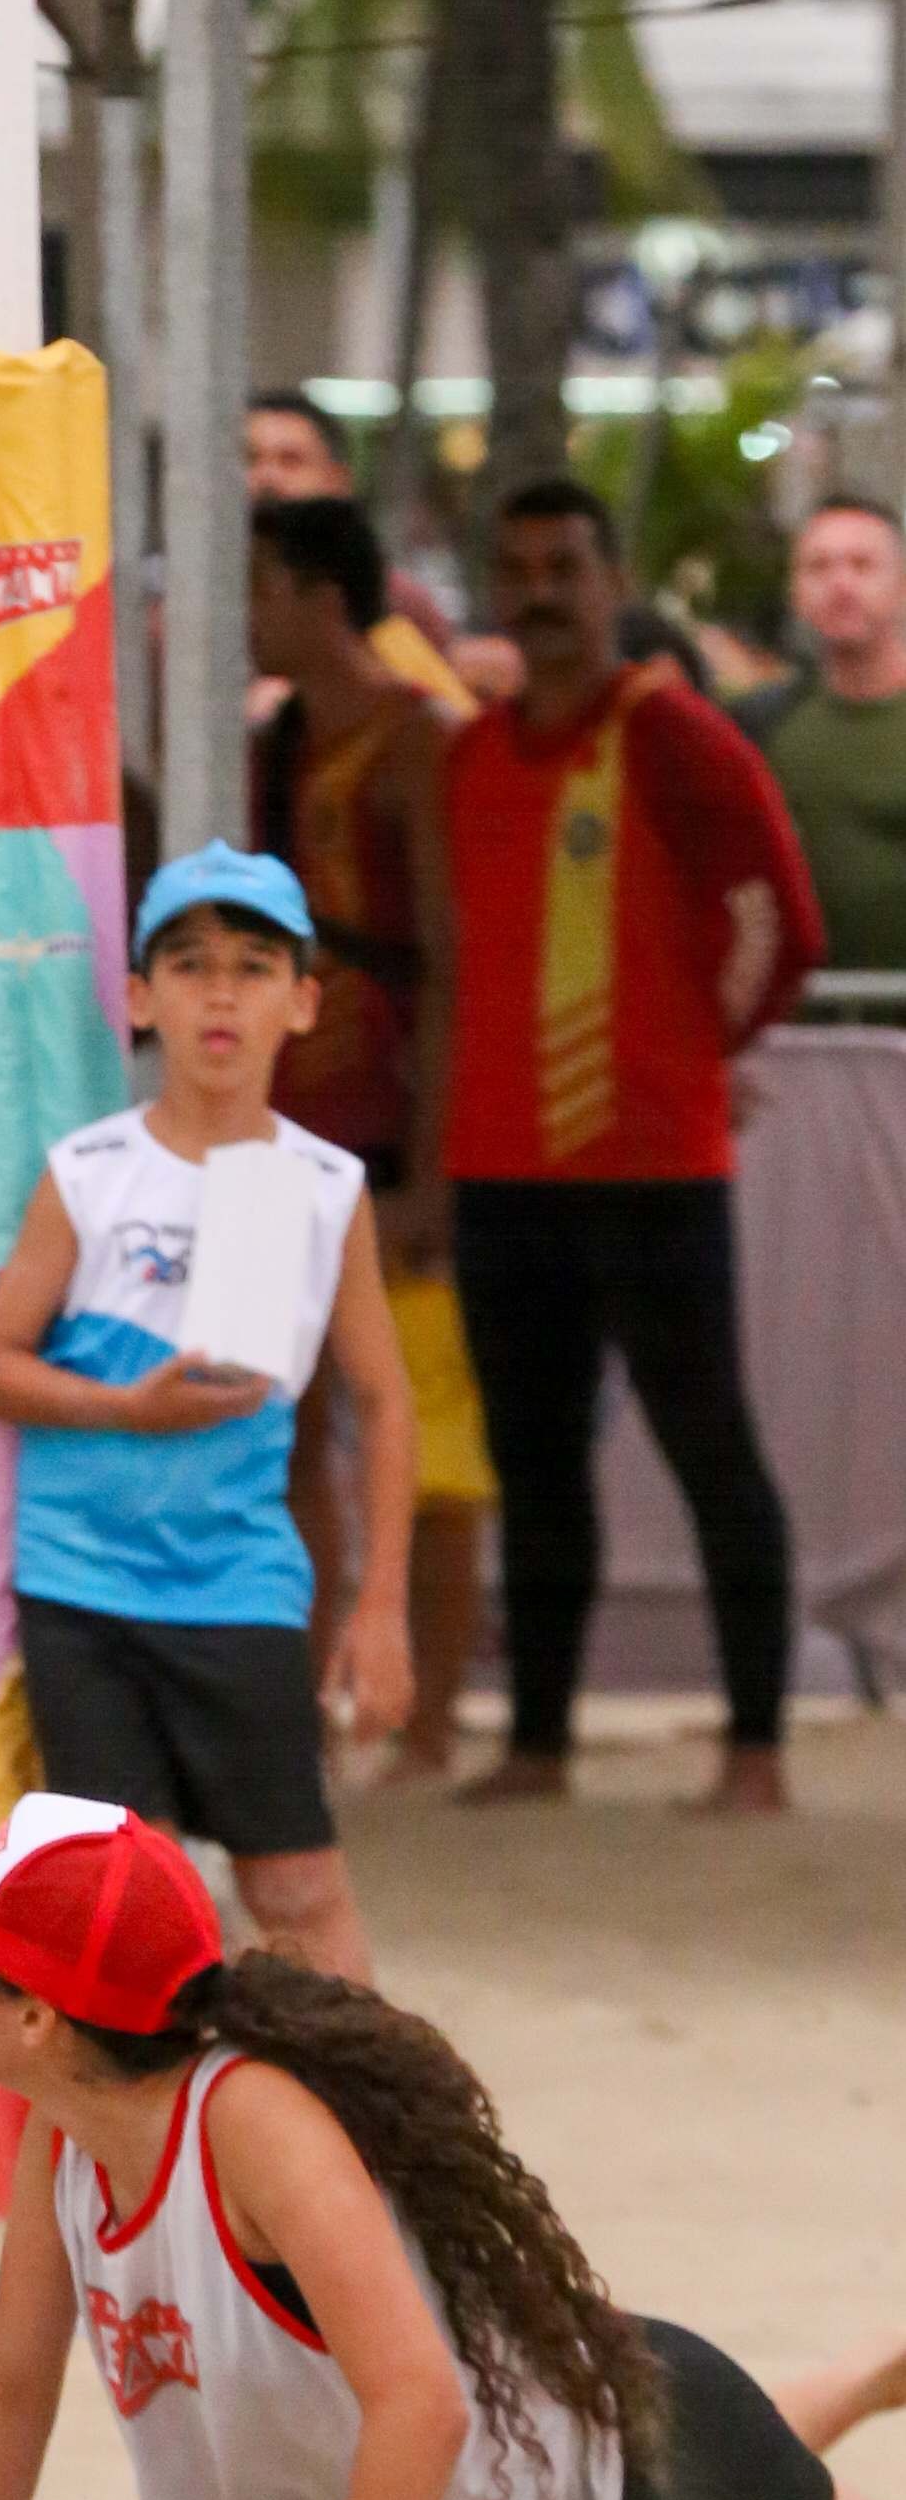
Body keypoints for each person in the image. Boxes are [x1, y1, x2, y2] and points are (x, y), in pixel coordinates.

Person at [0, 1791, 906, 2500]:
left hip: (646, 2469)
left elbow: (421, 2406)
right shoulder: (62, 2137)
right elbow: (9, 2399)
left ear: (38, 2019)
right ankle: (863, 2375)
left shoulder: (251, 2123)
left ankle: (853, 2381)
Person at [0, 847, 414, 1981]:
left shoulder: (310, 1186)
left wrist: (380, 1608)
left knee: (299, 1888)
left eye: (255, 966)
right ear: (139, 996)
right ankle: (163, 2143)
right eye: (191, 964)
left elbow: (381, 1397)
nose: (222, 993)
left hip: (235, 1583)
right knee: (129, 1892)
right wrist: (124, 1407)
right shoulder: (93, 1172)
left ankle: (378, 2133)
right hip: (84, 1591)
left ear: (302, 1003)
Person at [441, 476, 820, 1815]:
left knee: (706, 1445)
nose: (539, 592)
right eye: (518, 567)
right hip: (500, 1175)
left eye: (563, 567)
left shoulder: (674, 738)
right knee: (532, 1461)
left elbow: (781, 916)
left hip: (652, 1170)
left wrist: (695, 1057)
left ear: (606, 586)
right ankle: (537, 1745)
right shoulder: (471, 754)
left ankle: (755, 1751)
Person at [245, 494, 492, 1775]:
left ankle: (428, 1718)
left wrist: (438, 1168)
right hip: (288, 1131)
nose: (244, 613)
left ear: (320, 597)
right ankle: (302, 1711)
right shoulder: (278, 740)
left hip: (391, 1134)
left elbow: (452, 966)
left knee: (425, 1432)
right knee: (280, 1433)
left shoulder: (416, 746)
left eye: (261, 586)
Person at [752, 491, 906, 980]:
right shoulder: (763, 729)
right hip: (803, 1028)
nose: (841, 584)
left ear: (901, 583)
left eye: (862, 565)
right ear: (795, 590)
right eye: (819, 567)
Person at [242, 395, 474, 705]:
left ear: (338, 481)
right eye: (250, 460)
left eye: (291, 461)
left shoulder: (398, 604)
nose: (268, 478)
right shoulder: (181, 613)